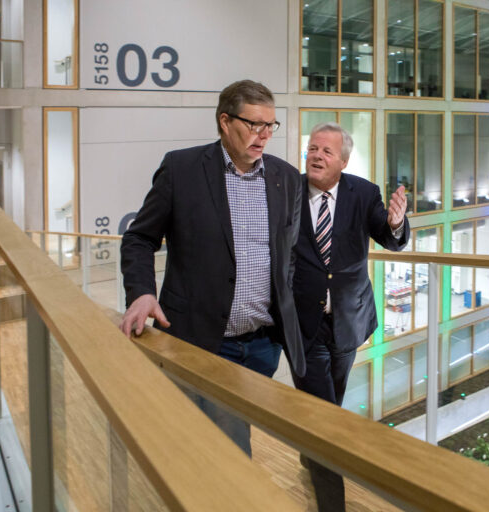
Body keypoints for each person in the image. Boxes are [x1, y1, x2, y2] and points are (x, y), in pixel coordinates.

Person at [119, 80, 305, 457]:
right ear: (225, 121)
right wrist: (142, 292)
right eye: (255, 125)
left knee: (226, 432)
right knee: (225, 444)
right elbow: (139, 239)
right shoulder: (181, 169)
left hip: (263, 344)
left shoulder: (285, 178)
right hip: (202, 338)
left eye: (271, 126)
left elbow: (289, 254)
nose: (264, 135)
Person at [290, 122, 409, 511]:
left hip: (347, 321)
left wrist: (395, 222)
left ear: (343, 160)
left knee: (328, 406)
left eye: (326, 151)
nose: (316, 155)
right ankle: (331, 503)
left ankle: (312, 452)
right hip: (303, 326)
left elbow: (389, 238)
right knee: (326, 419)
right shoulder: (288, 190)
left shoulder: (364, 192)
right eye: (312, 148)